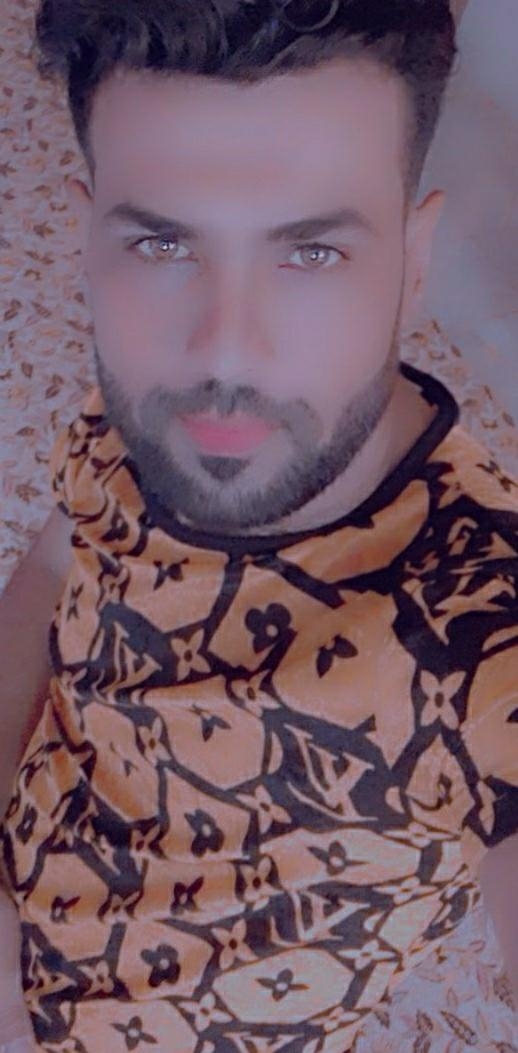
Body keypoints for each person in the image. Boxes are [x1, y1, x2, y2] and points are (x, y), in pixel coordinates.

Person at [0, 0, 517, 1050]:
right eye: (161, 244)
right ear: (88, 236)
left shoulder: (477, 620)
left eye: (311, 253)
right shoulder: (145, 414)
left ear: (414, 259)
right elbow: (53, 569)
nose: (224, 355)